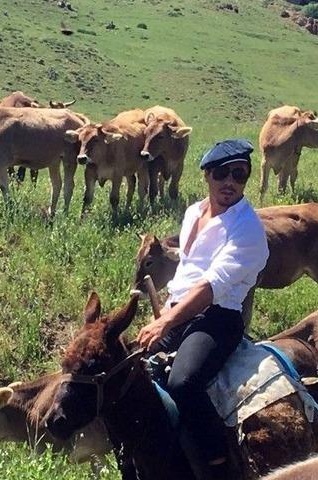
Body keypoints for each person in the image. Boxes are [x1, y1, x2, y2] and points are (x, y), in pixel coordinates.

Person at [136, 139, 270, 478]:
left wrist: (165, 323)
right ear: (207, 176)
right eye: (222, 173)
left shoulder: (248, 229)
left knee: (184, 382)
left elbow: (212, 285)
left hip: (218, 317)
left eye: (239, 175)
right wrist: (168, 312)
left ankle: (217, 463)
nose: (230, 182)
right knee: (134, 373)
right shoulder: (193, 212)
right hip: (180, 310)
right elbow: (187, 271)